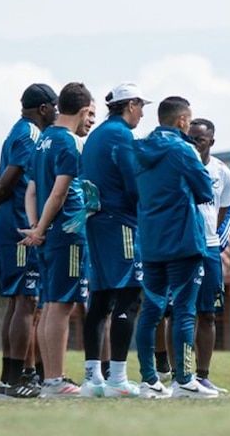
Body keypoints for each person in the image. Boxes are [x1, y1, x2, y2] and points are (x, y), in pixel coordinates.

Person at [0, 83, 58, 399]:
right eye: (55, 107)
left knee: (18, 302)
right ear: (44, 108)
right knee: (26, 301)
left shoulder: (16, 131)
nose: (57, 112)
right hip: (19, 228)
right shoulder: (30, 134)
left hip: (9, 227)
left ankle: (12, 379)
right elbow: (7, 180)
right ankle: (15, 380)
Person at [132, 96, 218, 399]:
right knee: (184, 310)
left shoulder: (138, 148)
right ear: (182, 120)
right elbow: (205, 191)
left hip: (151, 241)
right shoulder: (183, 149)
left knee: (150, 311)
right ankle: (184, 380)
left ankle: (148, 380)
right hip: (183, 240)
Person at [19, 82, 95, 398]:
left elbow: (32, 191)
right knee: (62, 306)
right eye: (91, 114)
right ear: (82, 111)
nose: (92, 120)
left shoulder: (43, 140)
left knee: (51, 305)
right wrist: (41, 228)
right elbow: (59, 192)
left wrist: (36, 226)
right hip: (68, 234)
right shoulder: (69, 143)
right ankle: (55, 380)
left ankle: (50, 379)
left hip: (49, 236)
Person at [78, 82, 150, 398]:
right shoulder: (121, 136)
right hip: (121, 222)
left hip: (96, 222)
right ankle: (118, 379)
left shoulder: (96, 136)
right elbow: (133, 185)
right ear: (131, 105)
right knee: (129, 295)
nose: (142, 114)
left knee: (100, 300)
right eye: (141, 107)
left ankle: (93, 377)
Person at [188, 117, 230, 394]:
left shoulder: (222, 171)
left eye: (200, 140)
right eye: (190, 138)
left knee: (207, 314)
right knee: (180, 312)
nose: (194, 144)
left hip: (209, 248)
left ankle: (203, 375)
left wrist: (217, 237)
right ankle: (180, 374)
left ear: (212, 142)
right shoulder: (180, 164)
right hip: (183, 247)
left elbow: (228, 206)